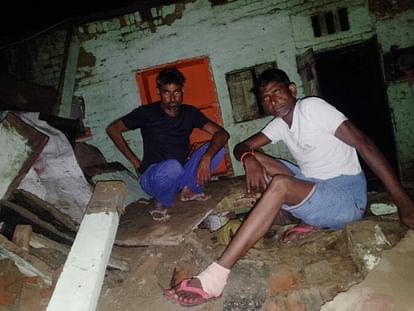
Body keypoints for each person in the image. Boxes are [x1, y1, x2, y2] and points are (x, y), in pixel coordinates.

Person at [164, 68, 414, 307]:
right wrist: (249, 159)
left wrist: (402, 201)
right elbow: (242, 146)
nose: (272, 101)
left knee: (281, 184)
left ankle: (215, 278)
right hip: (316, 187)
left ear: (292, 89)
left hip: (345, 199)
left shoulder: (312, 108)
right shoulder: (281, 124)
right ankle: (310, 218)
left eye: (277, 92)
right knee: (258, 159)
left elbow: (365, 144)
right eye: (266, 98)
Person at [106, 67, 229, 221]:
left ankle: (189, 189)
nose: (172, 98)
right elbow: (113, 129)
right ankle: (159, 201)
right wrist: (135, 161)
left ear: (182, 91)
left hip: (180, 174)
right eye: (166, 92)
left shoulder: (190, 113)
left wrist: (207, 158)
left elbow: (222, 134)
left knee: (217, 148)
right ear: (159, 92)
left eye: (176, 92)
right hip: (153, 178)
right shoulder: (146, 113)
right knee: (173, 167)